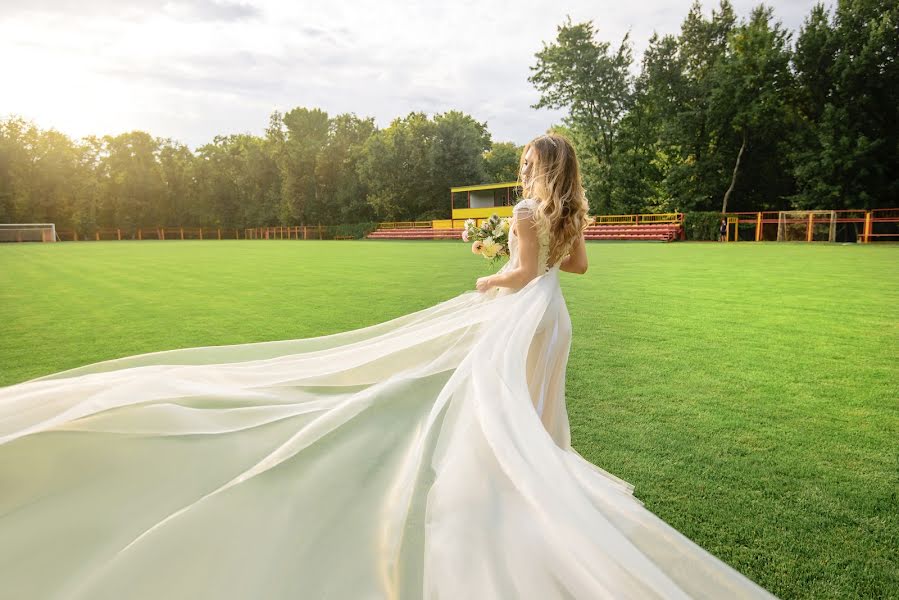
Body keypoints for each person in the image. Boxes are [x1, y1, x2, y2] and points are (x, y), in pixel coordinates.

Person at [0, 133, 778, 599]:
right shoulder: (576, 213)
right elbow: (572, 274)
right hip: (555, 320)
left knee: (489, 402)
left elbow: (516, 274)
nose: (519, 174)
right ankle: (549, 475)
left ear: (536, 168)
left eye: (522, 164)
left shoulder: (521, 213)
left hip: (516, 312)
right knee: (536, 409)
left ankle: (514, 482)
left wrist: (485, 270)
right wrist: (516, 265)